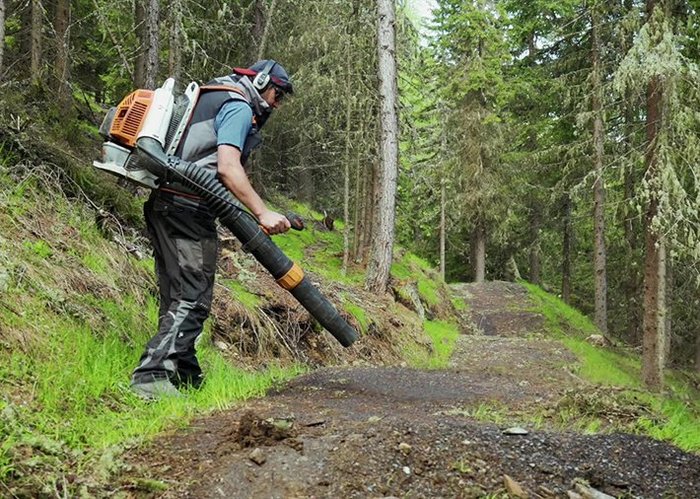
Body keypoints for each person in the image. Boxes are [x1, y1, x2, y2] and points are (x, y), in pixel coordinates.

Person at [130, 60, 293, 399]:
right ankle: (151, 376)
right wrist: (261, 212)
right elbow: (228, 168)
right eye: (278, 95)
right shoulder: (236, 105)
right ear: (262, 82)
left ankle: (184, 374)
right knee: (192, 296)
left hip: (167, 204)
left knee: (179, 294)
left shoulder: (211, 95)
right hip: (189, 208)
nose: (277, 105)